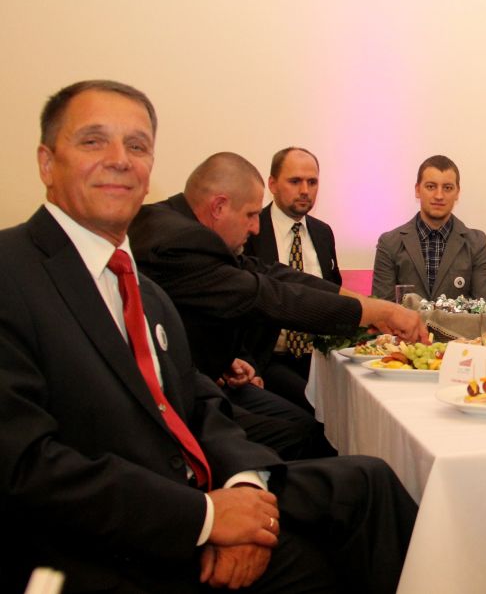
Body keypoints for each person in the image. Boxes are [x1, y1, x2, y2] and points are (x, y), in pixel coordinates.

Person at [0, 80, 417, 593]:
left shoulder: (143, 288)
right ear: (46, 162)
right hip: (111, 534)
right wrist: (206, 519)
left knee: (369, 483)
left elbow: (197, 399)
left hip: (202, 484)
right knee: (333, 556)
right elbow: (24, 467)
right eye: (93, 141)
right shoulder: (13, 273)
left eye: (137, 146)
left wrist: (245, 488)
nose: (120, 160)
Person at [129, 152, 427, 460]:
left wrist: (371, 305)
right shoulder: (180, 241)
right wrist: (374, 313)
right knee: (309, 437)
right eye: (250, 215)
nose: (255, 227)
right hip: (172, 405)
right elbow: (272, 296)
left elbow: (272, 274)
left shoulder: (179, 226)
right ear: (218, 207)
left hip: (205, 375)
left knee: (314, 425)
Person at [243, 147, 340, 410]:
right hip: (268, 359)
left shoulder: (323, 233)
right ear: (272, 184)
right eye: (295, 181)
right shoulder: (252, 230)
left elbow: (334, 292)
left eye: (312, 182)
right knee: (315, 410)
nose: (305, 190)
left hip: (320, 359)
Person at [372, 154, 486, 301]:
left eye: (447, 188)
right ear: (417, 190)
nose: (439, 195)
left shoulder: (477, 244)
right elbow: (382, 307)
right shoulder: (389, 244)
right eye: (431, 186)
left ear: (457, 193)